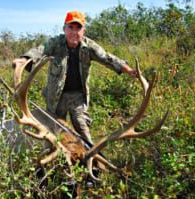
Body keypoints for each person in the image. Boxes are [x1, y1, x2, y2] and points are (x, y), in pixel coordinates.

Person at [12, 11, 138, 145]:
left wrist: (128, 70)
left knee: (83, 130)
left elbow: (107, 58)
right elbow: (40, 50)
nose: (74, 32)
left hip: (77, 97)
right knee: (54, 132)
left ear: (83, 31)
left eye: (78, 28)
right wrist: (24, 59)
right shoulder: (55, 43)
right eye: (70, 27)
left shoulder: (89, 46)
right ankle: (55, 159)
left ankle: (92, 158)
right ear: (64, 29)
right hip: (56, 97)